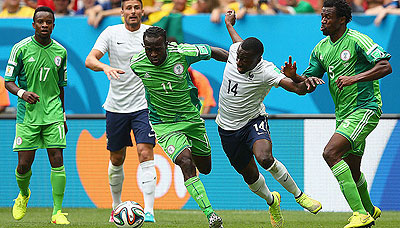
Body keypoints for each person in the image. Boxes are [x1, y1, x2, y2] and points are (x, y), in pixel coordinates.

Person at [281, 0, 392, 227]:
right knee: (352, 168)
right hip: (343, 114)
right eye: (321, 16)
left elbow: (385, 66)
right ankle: (370, 210)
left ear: (342, 19)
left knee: (331, 153)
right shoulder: (320, 49)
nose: (322, 21)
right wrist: (295, 77)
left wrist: (354, 78)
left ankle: (359, 213)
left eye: (328, 17)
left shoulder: (357, 40)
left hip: (365, 108)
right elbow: (306, 86)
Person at [219, 10, 323, 228]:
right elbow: (239, 44)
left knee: (265, 158)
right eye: (239, 57)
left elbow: (298, 89)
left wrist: (294, 76)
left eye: (246, 60)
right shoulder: (237, 51)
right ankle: (272, 200)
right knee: (250, 177)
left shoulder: (267, 71)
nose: (239, 62)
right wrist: (229, 24)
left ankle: (299, 196)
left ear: (259, 59)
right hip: (227, 128)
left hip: (252, 121)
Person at [130, 26, 228, 228]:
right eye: (149, 49)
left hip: (192, 120)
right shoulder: (137, 64)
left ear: (166, 45)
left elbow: (214, 51)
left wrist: (239, 63)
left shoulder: (182, 53)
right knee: (185, 161)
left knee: (206, 168)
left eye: (158, 48)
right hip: (164, 124)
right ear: (144, 47)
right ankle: (211, 215)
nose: (154, 54)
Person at [85, 0, 157, 223]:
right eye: (129, 8)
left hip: (144, 106)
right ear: (122, 12)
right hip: (116, 106)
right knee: (117, 158)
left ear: (142, 11)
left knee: (145, 152)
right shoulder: (110, 33)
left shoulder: (152, 34)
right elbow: (90, 60)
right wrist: (105, 66)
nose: (133, 11)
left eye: (137, 7)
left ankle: (150, 211)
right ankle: (116, 207)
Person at [4, 6, 69, 224]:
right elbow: (8, 82)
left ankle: (57, 212)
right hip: (28, 116)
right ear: (33, 24)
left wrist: (63, 116)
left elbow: (61, 87)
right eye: (40, 22)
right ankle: (23, 195)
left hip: (53, 114)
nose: (44, 25)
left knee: (57, 160)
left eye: (48, 22)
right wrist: (22, 93)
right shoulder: (20, 48)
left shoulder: (61, 52)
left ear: (53, 25)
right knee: (24, 165)